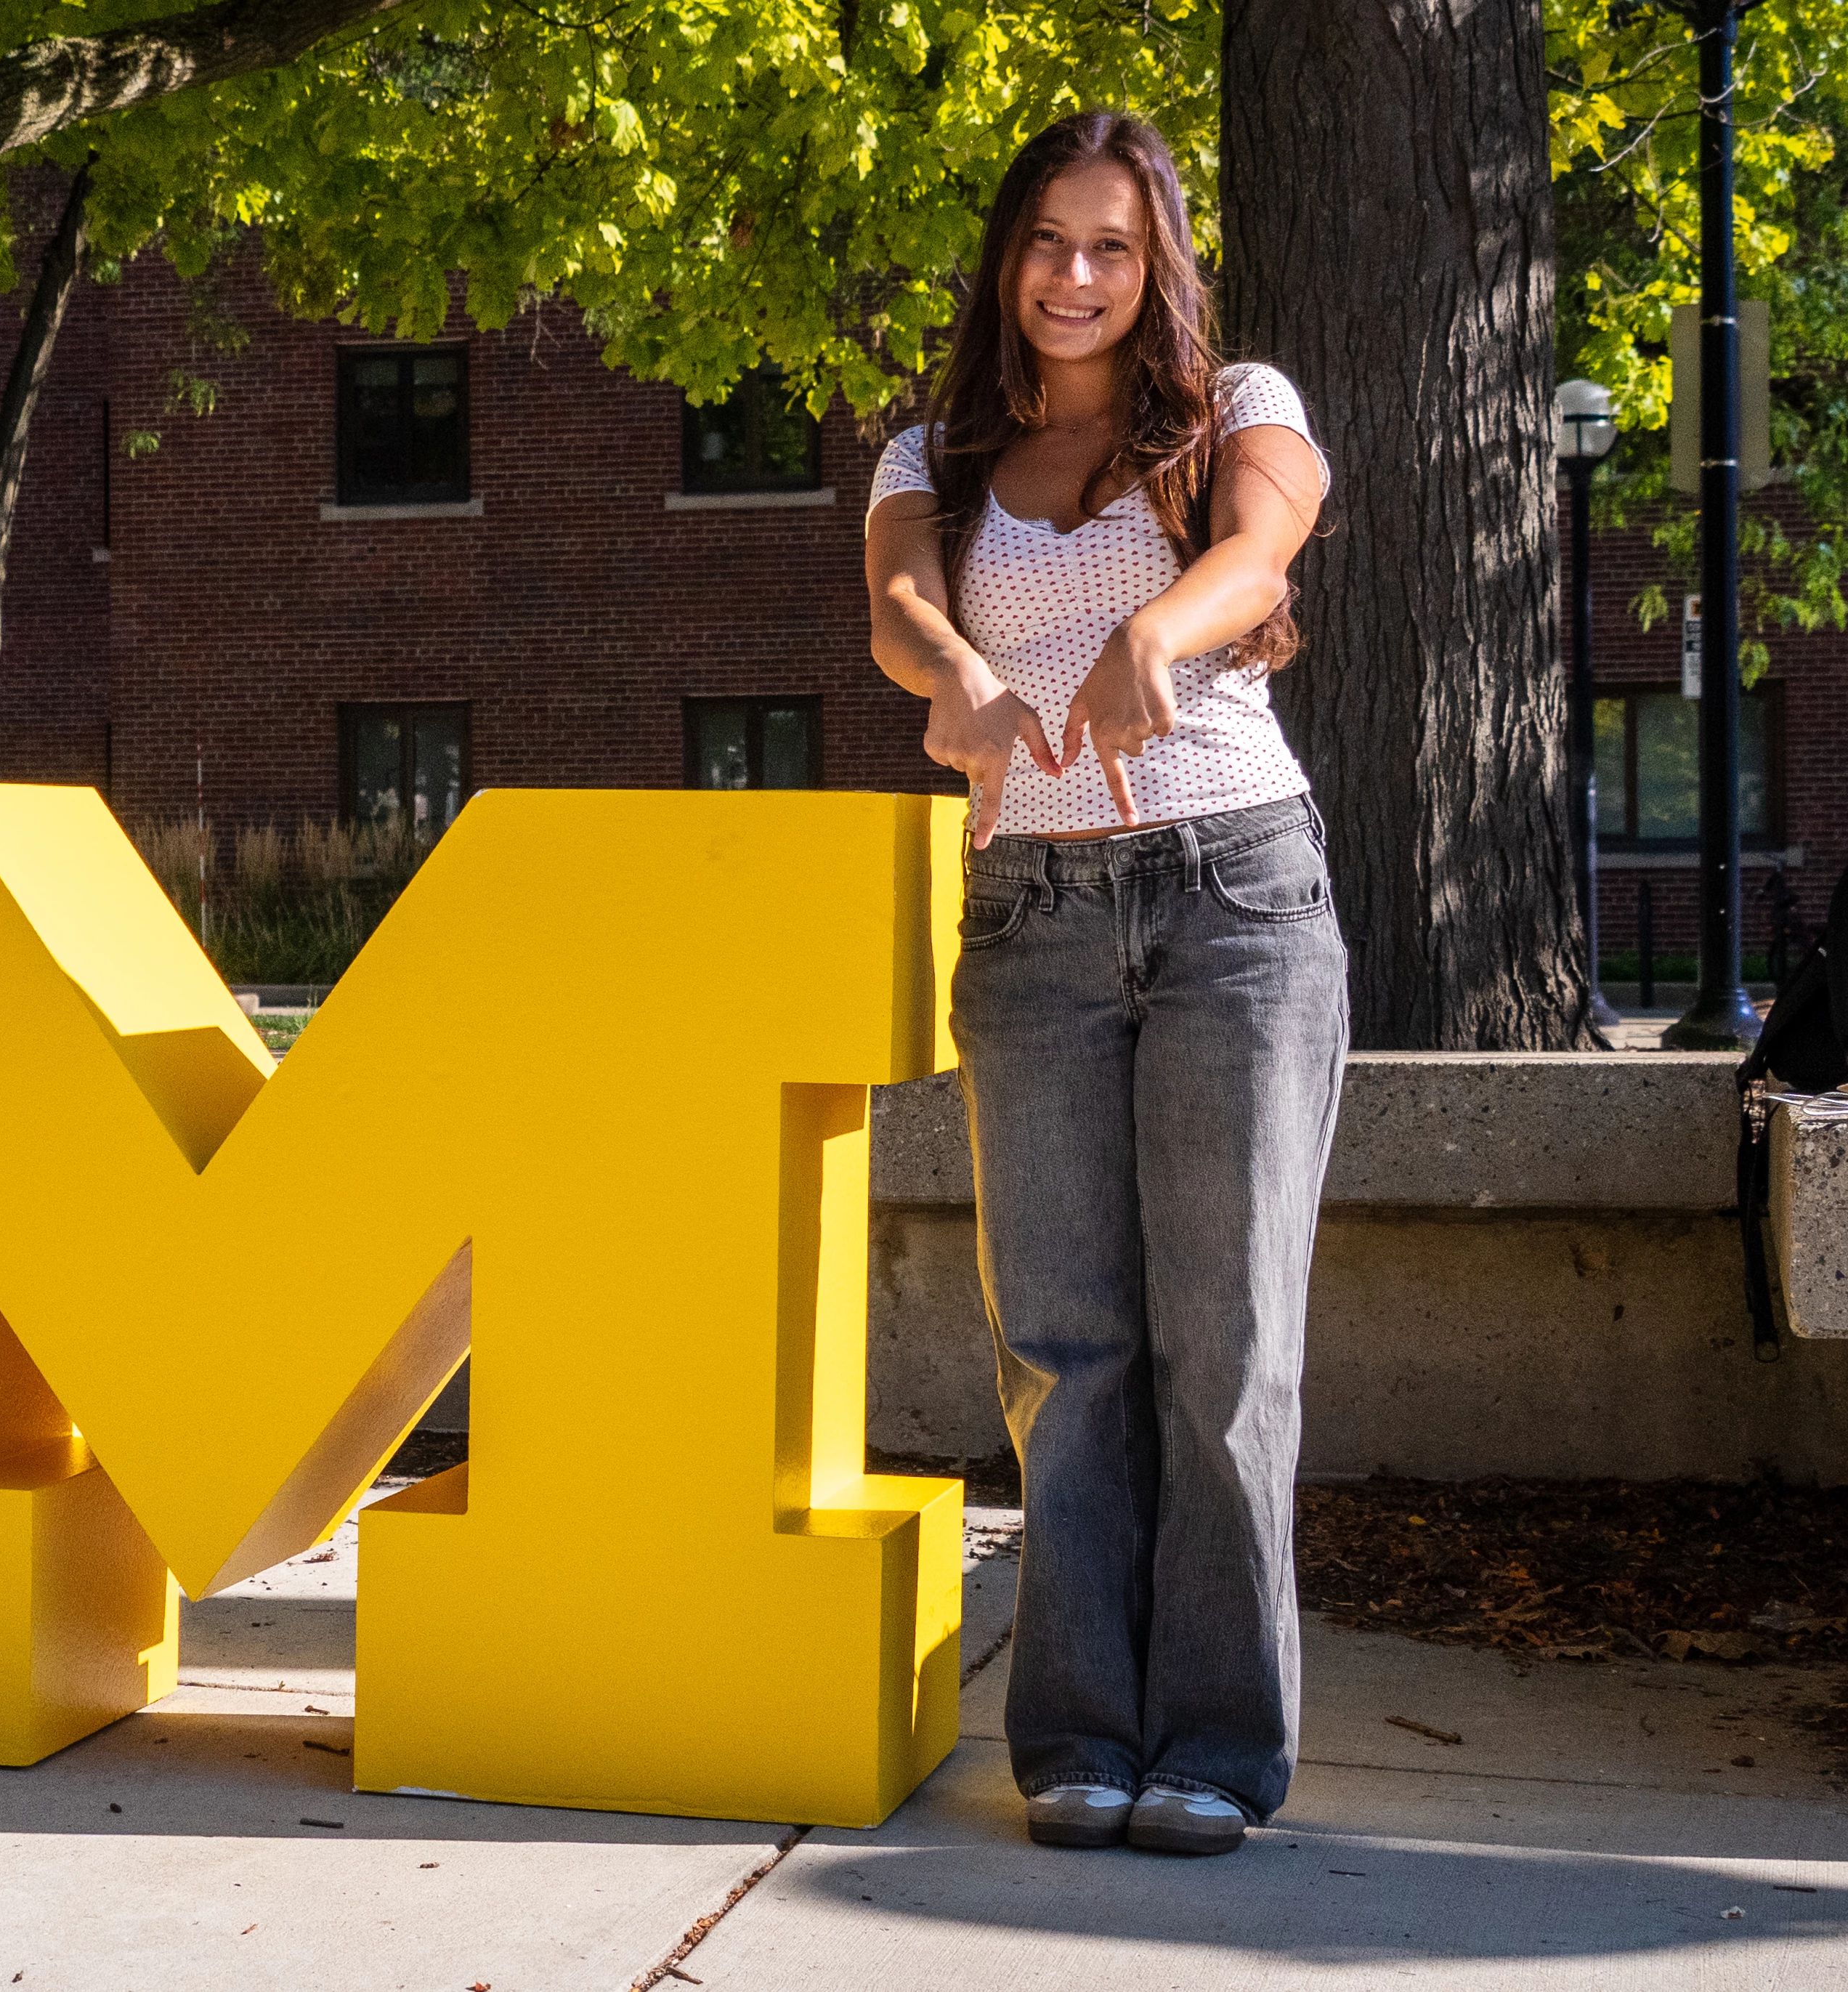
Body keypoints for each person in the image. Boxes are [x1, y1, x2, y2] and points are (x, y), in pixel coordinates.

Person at [862, 111, 1341, 1856]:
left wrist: (1158, 631)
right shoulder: (929, 447)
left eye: (1111, 247)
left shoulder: (1239, 411)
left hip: (1233, 899)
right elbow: (898, 605)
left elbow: (1258, 551)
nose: (1074, 276)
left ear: (1159, 268)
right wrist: (962, 676)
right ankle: (1073, 1732)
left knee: (1225, 1350)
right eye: (1047, 242)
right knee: (1062, 1349)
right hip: (1032, 920)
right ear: (1006, 260)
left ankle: (1215, 1744)